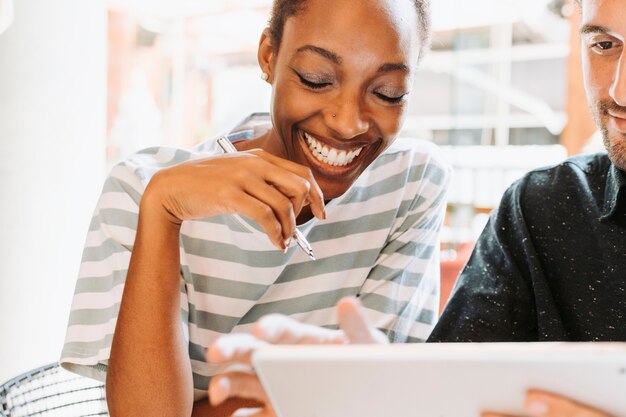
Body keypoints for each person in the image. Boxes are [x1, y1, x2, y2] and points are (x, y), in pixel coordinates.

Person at [205, 0, 626, 416]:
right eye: (605, 44)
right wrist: (388, 398)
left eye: (388, 93)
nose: (619, 91)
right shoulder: (544, 212)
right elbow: (448, 403)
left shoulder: (413, 180)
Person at [60, 0, 450, 415]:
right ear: (269, 56)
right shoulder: (141, 188)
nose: (348, 122)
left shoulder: (410, 182)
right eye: (317, 80)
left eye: (387, 93)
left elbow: (382, 396)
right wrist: (162, 212)